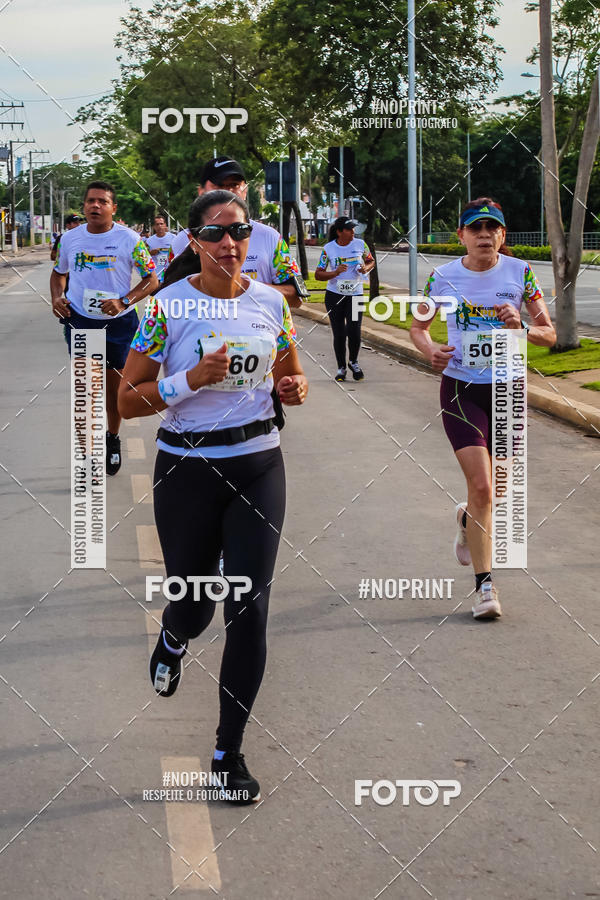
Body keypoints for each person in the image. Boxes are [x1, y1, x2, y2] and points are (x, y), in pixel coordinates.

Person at [118, 190, 308, 803]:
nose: (230, 243)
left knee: (249, 609)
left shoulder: (271, 302)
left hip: (259, 464)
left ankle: (228, 754)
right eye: (216, 233)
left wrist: (295, 385)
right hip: (188, 470)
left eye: (240, 232)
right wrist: (190, 379)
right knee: (196, 605)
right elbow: (127, 400)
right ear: (194, 241)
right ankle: (174, 636)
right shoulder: (166, 307)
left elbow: (290, 371)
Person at [410, 198, 556, 619]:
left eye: (493, 228)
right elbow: (418, 328)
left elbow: (549, 333)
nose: (485, 235)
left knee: (498, 492)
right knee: (483, 488)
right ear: (461, 236)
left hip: (508, 391)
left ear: (503, 235)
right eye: (476, 228)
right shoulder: (441, 277)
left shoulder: (520, 273)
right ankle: (484, 587)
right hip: (461, 390)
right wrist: (430, 350)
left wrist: (521, 327)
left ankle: (465, 520)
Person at [50, 181, 158, 475]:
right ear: (84, 206)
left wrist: (124, 301)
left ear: (113, 208)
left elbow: (151, 279)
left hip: (120, 324)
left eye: (102, 201)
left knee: (114, 392)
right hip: (82, 320)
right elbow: (58, 274)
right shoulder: (70, 239)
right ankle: (87, 455)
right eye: (90, 201)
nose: (95, 206)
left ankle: (112, 438)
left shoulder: (130, 239)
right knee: (86, 390)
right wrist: (57, 297)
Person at [168, 156, 306, 308]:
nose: (228, 191)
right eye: (219, 185)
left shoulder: (270, 237)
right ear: (201, 192)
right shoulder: (183, 241)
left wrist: (245, 289)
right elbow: (166, 295)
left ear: (245, 191)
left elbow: (296, 297)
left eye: (234, 185)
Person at [314, 217, 375, 382]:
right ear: (339, 232)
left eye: (353, 229)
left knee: (354, 331)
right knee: (339, 333)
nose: (353, 232)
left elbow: (371, 261)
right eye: (349, 229)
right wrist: (335, 273)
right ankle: (341, 368)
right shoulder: (328, 249)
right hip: (335, 295)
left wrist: (365, 268)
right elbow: (318, 274)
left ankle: (353, 361)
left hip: (355, 295)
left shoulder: (361, 245)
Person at [144, 214, 175, 280]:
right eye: (157, 224)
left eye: (161, 224)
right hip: (157, 276)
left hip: (171, 274)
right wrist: (150, 253)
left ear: (165, 225)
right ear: (154, 227)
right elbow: (144, 257)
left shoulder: (173, 238)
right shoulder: (149, 241)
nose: (159, 226)